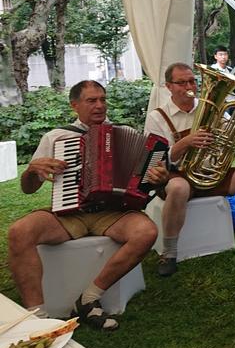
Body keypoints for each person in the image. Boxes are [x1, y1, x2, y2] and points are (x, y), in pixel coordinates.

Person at [8, 81, 168, 331]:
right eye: (91, 100)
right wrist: (31, 171)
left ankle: (89, 298)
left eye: (103, 99)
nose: (99, 105)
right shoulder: (57, 137)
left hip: (113, 213)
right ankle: (37, 318)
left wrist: (160, 179)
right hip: (71, 211)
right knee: (19, 232)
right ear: (74, 105)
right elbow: (29, 188)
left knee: (146, 232)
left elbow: (151, 186)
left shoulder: (124, 132)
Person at [144, 63, 235, 278]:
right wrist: (185, 143)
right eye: (181, 82)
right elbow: (154, 159)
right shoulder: (157, 116)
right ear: (168, 87)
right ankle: (170, 253)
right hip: (178, 174)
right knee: (178, 188)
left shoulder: (214, 109)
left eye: (192, 81)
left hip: (211, 172)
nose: (189, 86)